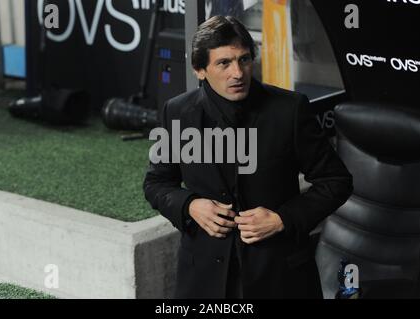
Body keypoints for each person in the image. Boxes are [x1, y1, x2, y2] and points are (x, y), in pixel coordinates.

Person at [143, 16, 353, 299]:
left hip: (280, 278)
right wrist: (190, 205)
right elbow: (156, 183)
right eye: (224, 63)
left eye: (244, 60)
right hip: (204, 280)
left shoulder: (289, 110)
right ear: (199, 69)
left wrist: (282, 219)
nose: (238, 73)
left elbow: (336, 181)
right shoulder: (177, 112)